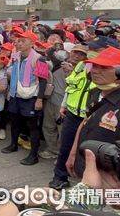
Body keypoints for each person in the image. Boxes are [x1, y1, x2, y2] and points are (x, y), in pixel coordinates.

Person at [67, 47, 120, 181]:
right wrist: (73, 153)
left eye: (104, 67)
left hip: (112, 183)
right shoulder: (95, 92)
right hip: (85, 170)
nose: (94, 70)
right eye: (94, 65)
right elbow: (85, 122)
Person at [1, 30, 49, 166]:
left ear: (32, 43)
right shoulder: (15, 56)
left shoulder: (39, 58)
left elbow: (43, 80)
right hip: (15, 95)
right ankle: (13, 144)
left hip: (31, 97)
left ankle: (34, 155)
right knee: (15, 121)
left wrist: (39, 99)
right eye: (18, 41)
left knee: (33, 126)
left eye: (23, 41)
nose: (19, 43)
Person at [48, 44, 92, 189]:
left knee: (86, 149)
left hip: (88, 116)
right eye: (75, 52)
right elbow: (70, 88)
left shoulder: (92, 68)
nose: (77, 56)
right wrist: (64, 105)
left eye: (81, 54)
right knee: (65, 146)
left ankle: (87, 182)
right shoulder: (77, 68)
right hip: (72, 113)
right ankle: (60, 177)